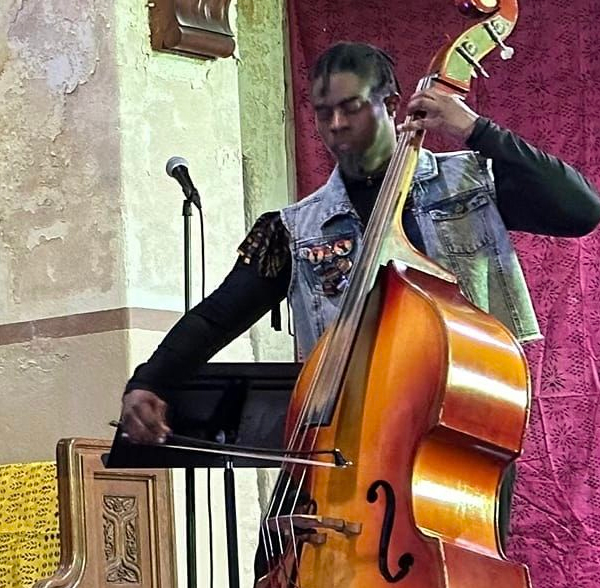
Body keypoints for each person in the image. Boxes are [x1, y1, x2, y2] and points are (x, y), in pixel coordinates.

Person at [119, 42, 600, 543]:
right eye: (323, 112)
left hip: (461, 431)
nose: (335, 125)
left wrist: (475, 129)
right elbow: (217, 316)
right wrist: (148, 381)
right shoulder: (297, 228)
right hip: (346, 446)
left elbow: (581, 211)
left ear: (390, 104)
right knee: (275, 559)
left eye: (351, 107)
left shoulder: (470, 184)